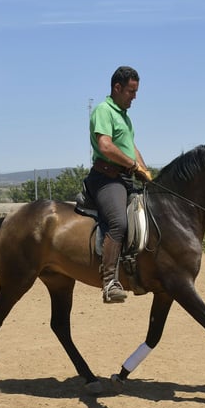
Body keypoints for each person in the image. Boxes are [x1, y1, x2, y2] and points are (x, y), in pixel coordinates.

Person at [85, 66, 151, 303]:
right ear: (117, 88)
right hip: (106, 179)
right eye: (131, 91)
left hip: (124, 178)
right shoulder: (104, 110)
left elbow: (131, 147)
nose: (134, 96)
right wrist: (134, 165)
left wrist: (145, 171)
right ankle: (110, 282)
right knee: (118, 222)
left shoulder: (124, 116)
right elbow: (105, 146)